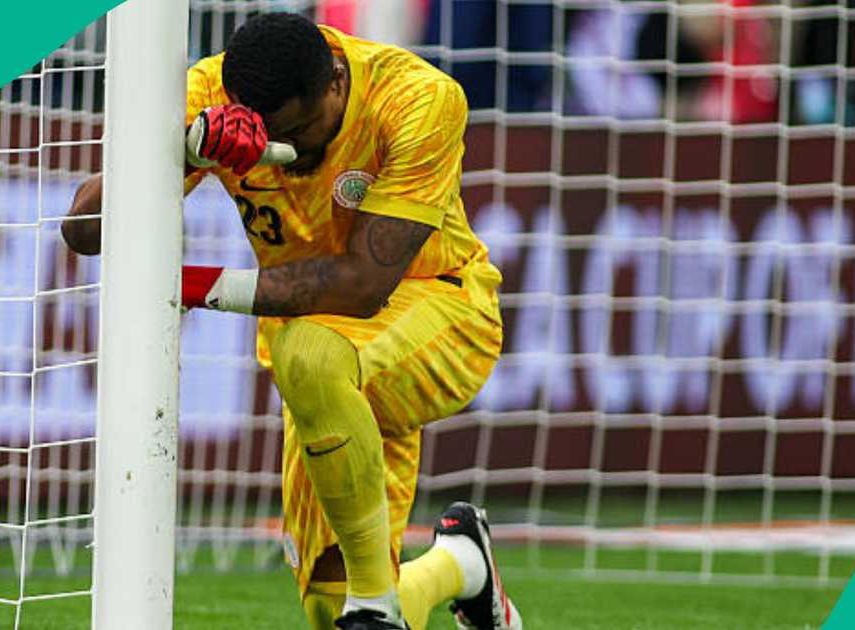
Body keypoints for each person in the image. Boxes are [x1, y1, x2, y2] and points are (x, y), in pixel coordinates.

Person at [61, 12, 521, 630]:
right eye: (277, 136)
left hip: (441, 311)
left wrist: (188, 286)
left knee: (307, 351)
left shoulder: (418, 98)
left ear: (335, 78)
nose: (291, 150)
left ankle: (376, 604)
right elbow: (82, 232)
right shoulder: (210, 96)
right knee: (329, 611)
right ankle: (461, 563)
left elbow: (363, 285)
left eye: (304, 130)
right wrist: (181, 148)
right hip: (319, 371)